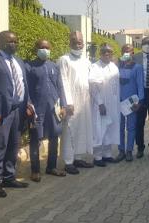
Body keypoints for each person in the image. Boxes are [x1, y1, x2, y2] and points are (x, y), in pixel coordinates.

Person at [0, 30, 34, 197]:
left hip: (18, 110)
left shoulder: (18, 60)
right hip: (1, 111)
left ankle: (9, 177)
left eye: (16, 41)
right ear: (1, 42)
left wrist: (29, 103)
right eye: (11, 42)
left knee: (13, 145)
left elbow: (23, 83)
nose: (15, 44)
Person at [26, 39, 67, 182]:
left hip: (54, 109)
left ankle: (51, 167)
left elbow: (60, 87)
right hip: (37, 109)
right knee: (35, 138)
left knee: (54, 137)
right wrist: (29, 105)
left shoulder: (54, 66)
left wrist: (63, 105)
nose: (45, 50)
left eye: (47, 47)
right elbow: (26, 90)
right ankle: (35, 170)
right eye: (42, 47)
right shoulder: (29, 66)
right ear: (36, 49)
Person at [58, 31, 94, 174]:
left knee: (82, 129)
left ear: (83, 43)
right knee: (70, 130)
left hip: (85, 101)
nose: (77, 44)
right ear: (69, 43)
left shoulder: (86, 61)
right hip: (72, 101)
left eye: (80, 42)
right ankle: (68, 161)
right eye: (74, 41)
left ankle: (78, 158)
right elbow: (63, 81)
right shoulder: (64, 59)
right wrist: (68, 102)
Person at [88, 43, 120, 167]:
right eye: (104, 52)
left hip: (113, 104)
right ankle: (97, 157)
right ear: (100, 53)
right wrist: (100, 103)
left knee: (110, 129)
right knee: (100, 130)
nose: (107, 54)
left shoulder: (114, 67)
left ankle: (107, 154)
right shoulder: (95, 67)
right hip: (101, 105)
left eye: (109, 52)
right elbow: (93, 87)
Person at [115, 44, 144, 162]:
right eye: (125, 51)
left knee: (131, 127)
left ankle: (129, 151)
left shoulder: (137, 67)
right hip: (118, 101)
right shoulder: (117, 67)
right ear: (122, 53)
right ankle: (121, 150)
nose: (128, 53)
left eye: (130, 51)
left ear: (133, 53)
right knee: (119, 128)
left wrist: (140, 101)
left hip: (131, 102)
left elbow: (140, 85)